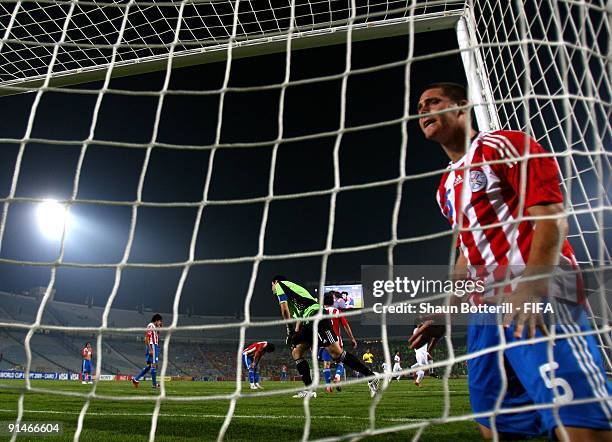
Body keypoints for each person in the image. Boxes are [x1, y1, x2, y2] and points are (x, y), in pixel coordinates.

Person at [410, 82, 611, 440]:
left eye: (433, 101)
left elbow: (550, 216)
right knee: (496, 427)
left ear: (461, 107)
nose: (423, 110)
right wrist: (446, 314)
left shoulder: (502, 145)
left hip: (537, 296)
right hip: (486, 314)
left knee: (579, 423)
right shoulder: (445, 187)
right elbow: (467, 255)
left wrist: (531, 287)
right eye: (420, 106)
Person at [271, 275, 379, 398]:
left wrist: (290, 332)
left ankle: (371, 377)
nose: (272, 289)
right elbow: (300, 317)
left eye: (272, 286)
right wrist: (295, 333)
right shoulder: (295, 296)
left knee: (336, 354)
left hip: (317, 316)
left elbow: (284, 310)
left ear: (275, 282)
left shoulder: (281, 285)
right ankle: (309, 390)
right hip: (309, 320)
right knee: (297, 352)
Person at [320, 292, 358, 392]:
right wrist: (352, 338)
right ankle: (337, 377)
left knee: (326, 364)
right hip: (337, 341)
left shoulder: (320, 312)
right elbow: (346, 326)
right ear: (333, 302)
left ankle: (328, 386)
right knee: (340, 361)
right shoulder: (337, 311)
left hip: (325, 341)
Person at [132, 313, 163, 389]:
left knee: (149, 366)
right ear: (156, 320)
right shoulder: (151, 326)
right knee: (154, 365)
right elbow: (146, 338)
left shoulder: (154, 327)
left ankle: (136, 379)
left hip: (152, 345)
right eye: (160, 321)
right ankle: (154, 384)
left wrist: (159, 329)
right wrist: (150, 349)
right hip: (152, 346)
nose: (161, 323)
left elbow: (157, 337)